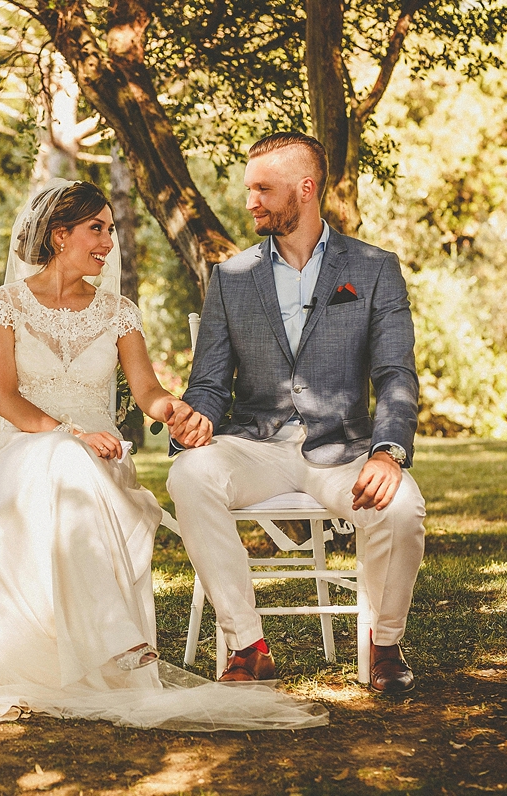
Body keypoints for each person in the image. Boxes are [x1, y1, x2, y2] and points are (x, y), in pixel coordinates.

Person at [0, 179, 326, 731]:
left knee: (79, 465)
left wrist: (174, 411)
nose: (107, 241)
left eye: (110, 229)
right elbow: (6, 400)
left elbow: (146, 391)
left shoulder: (118, 313)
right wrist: (70, 434)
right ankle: (119, 640)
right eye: (96, 228)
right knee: (66, 461)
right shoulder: (1, 306)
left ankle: (113, 642)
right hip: (24, 453)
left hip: (100, 459)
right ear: (59, 236)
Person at [166, 132, 426, 694]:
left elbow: (395, 374)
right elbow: (209, 384)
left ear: (305, 190)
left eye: (263, 188)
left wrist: (388, 451)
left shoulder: (375, 268)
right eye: (248, 189)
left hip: (343, 450)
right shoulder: (230, 278)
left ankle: (384, 645)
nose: (250, 201)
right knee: (188, 474)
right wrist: (196, 419)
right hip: (255, 446)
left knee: (402, 508)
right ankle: (247, 644)